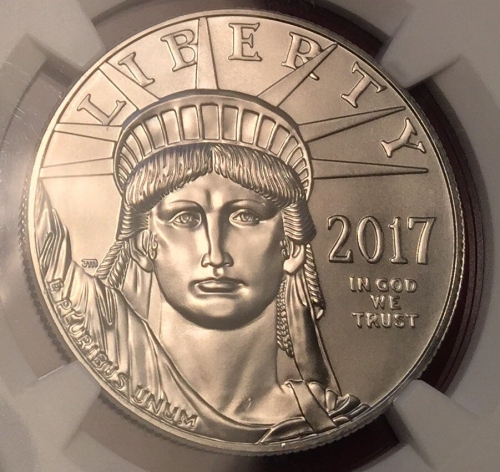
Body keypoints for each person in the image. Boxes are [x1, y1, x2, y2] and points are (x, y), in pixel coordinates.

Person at [35, 91, 366, 445]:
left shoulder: (336, 421)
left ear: (293, 247)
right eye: (185, 217)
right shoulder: (120, 353)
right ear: (143, 245)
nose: (215, 253)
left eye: (245, 216)